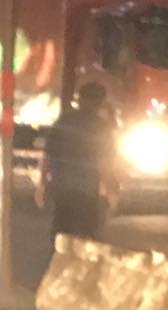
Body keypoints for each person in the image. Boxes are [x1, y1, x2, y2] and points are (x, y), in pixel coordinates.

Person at [41, 82, 120, 239]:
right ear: (101, 102)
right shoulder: (101, 128)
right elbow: (104, 163)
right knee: (84, 238)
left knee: (61, 235)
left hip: (61, 189)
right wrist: (112, 190)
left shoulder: (64, 121)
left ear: (79, 100)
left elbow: (48, 155)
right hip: (86, 192)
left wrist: (42, 184)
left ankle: (59, 261)